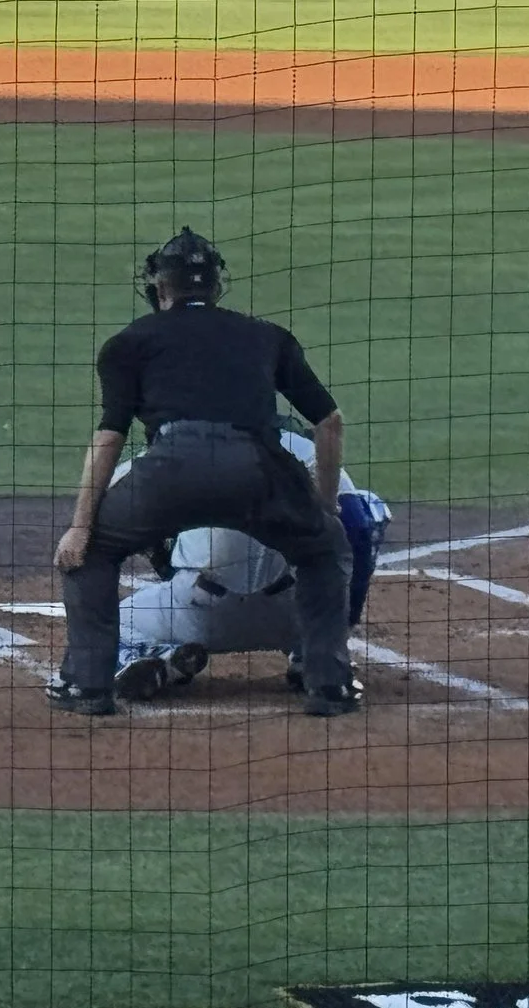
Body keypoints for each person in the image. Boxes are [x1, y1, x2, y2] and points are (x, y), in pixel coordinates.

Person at [47, 229, 359, 717]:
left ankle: (86, 685)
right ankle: (329, 684)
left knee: (94, 553)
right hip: (257, 467)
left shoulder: (128, 342)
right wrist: (323, 505)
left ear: (160, 288)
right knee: (325, 551)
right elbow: (330, 422)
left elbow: (109, 436)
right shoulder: (267, 335)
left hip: (171, 470)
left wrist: (81, 528)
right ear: (216, 286)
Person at [111, 425, 394, 701]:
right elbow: (357, 527)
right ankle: (313, 655)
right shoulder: (305, 450)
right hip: (295, 614)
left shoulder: (167, 453)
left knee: (109, 624)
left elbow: (104, 524)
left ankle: (158, 658)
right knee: (370, 507)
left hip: (201, 615)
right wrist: (340, 625)